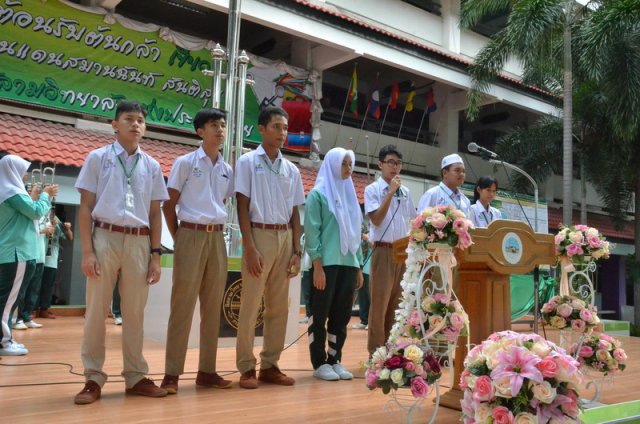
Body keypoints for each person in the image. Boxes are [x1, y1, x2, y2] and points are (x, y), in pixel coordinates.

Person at [73, 100, 169, 405]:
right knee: (96, 312)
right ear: (115, 125)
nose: (136, 124)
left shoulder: (152, 165)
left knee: (134, 314)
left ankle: (136, 375)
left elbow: (156, 214)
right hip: (105, 238)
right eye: (129, 119)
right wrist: (88, 251)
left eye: (141, 120)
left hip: (140, 243)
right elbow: (86, 207)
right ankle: (93, 377)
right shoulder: (98, 159)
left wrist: (156, 256)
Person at [160, 108, 234, 394]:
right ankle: (171, 373)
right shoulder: (185, 163)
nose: (220, 130)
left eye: (223, 125)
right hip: (189, 234)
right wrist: (179, 236)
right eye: (214, 125)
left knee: (213, 307)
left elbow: (224, 203)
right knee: (182, 306)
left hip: (217, 237)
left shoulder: (228, 169)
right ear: (200, 131)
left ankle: (207, 371)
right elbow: (169, 204)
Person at [234, 106, 304, 390]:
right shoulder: (248, 162)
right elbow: (241, 204)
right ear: (261, 129)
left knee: (279, 308)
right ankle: (246, 368)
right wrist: (249, 246)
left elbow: (295, 212)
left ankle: (271, 365)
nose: (282, 133)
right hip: (259, 235)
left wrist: (297, 251)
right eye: (277, 127)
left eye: (285, 128)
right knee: (250, 306)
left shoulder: (292, 169)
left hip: (285, 237)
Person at [304, 147, 364, 381]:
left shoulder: (350, 196)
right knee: (319, 315)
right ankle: (319, 363)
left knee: (341, 316)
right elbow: (312, 232)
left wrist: (357, 265)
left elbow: (354, 235)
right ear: (332, 164)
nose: (348, 169)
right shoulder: (318, 194)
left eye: (351, 164)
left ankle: (334, 359)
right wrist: (317, 266)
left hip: (348, 264)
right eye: (344, 164)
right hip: (325, 264)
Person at [0, 154, 57, 355]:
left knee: (9, 299)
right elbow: (35, 212)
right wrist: (45, 195)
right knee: (8, 300)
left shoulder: (6, 191)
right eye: (22, 171)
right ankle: (3, 343)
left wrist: (34, 196)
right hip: (17, 252)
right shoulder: (11, 191)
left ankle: (7, 339)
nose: (25, 175)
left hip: (11, 252)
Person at [365, 145, 416, 355]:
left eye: (398, 163)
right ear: (380, 165)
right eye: (390, 162)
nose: (394, 167)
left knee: (397, 305)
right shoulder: (372, 190)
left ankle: (390, 350)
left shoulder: (406, 192)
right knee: (379, 305)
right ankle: (376, 353)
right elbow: (376, 220)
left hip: (402, 253)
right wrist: (390, 193)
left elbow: (413, 221)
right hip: (383, 252)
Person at [13, 213, 49, 330]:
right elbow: (25, 232)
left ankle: (27, 316)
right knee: (22, 290)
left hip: (40, 257)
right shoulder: (29, 214)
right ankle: (16, 319)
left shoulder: (46, 218)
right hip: (28, 256)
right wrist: (42, 231)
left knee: (34, 290)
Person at [37, 209, 73, 319]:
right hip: (39, 256)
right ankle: (32, 309)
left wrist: (67, 228)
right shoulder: (39, 217)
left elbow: (70, 237)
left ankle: (44, 309)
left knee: (48, 286)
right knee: (35, 285)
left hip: (52, 259)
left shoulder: (56, 220)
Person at [352, 224, 371, 330]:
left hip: (373, 267)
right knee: (363, 294)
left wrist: (368, 238)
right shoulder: (366, 231)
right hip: (364, 266)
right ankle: (364, 320)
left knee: (371, 295)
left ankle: (371, 321)